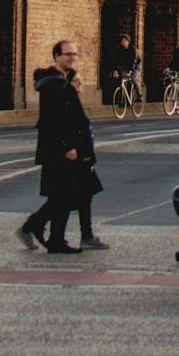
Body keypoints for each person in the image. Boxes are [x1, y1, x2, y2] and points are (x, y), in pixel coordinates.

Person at [18, 40, 83, 253]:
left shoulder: (63, 80)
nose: (72, 58)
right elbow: (54, 119)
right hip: (57, 148)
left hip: (60, 146)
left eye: (74, 54)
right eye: (67, 54)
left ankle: (53, 238)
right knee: (62, 196)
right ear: (56, 56)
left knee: (62, 196)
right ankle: (36, 228)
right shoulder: (54, 84)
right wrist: (67, 146)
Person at [67, 70, 108, 249]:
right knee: (65, 199)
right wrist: (69, 147)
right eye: (77, 82)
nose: (80, 86)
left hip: (84, 156)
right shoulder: (67, 101)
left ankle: (87, 235)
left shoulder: (73, 100)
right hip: (77, 157)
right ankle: (32, 226)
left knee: (85, 195)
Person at [110, 33, 141, 101]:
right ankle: (123, 100)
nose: (123, 42)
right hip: (126, 66)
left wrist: (130, 71)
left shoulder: (133, 49)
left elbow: (134, 61)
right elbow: (116, 61)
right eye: (122, 41)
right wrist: (115, 70)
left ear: (128, 41)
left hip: (136, 66)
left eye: (125, 40)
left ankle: (139, 95)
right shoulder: (120, 50)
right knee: (121, 80)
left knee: (133, 79)